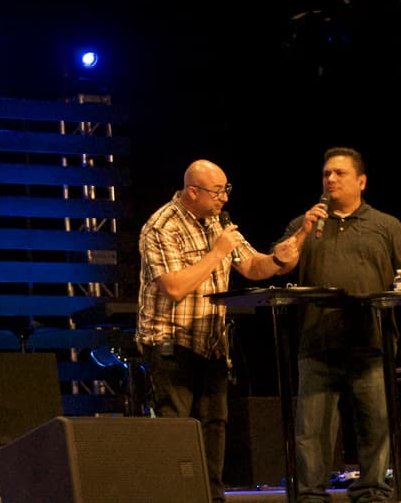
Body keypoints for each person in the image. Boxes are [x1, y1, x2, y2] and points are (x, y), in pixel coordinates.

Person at [136, 159, 302, 503]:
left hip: (211, 343)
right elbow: (174, 287)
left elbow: (251, 266)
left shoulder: (217, 222)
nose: (224, 198)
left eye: (226, 190)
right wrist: (216, 253)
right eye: (217, 191)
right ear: (192, 192)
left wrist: (277, 260)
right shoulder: (161, 226)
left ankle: (213, 497)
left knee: (215, 428)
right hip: (171, 344)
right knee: (176, 432)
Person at [278, 147, 401, 503]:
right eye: (326, 174)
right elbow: (279, 262)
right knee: (312, 431)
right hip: (318, 343)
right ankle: (311, 495)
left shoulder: (386, 225)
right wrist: (303, 232)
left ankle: (373, 491)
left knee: (375, 427)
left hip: (371, 343)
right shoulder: (305, 223)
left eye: (339, 173)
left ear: (361, 181)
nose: (330, 179)